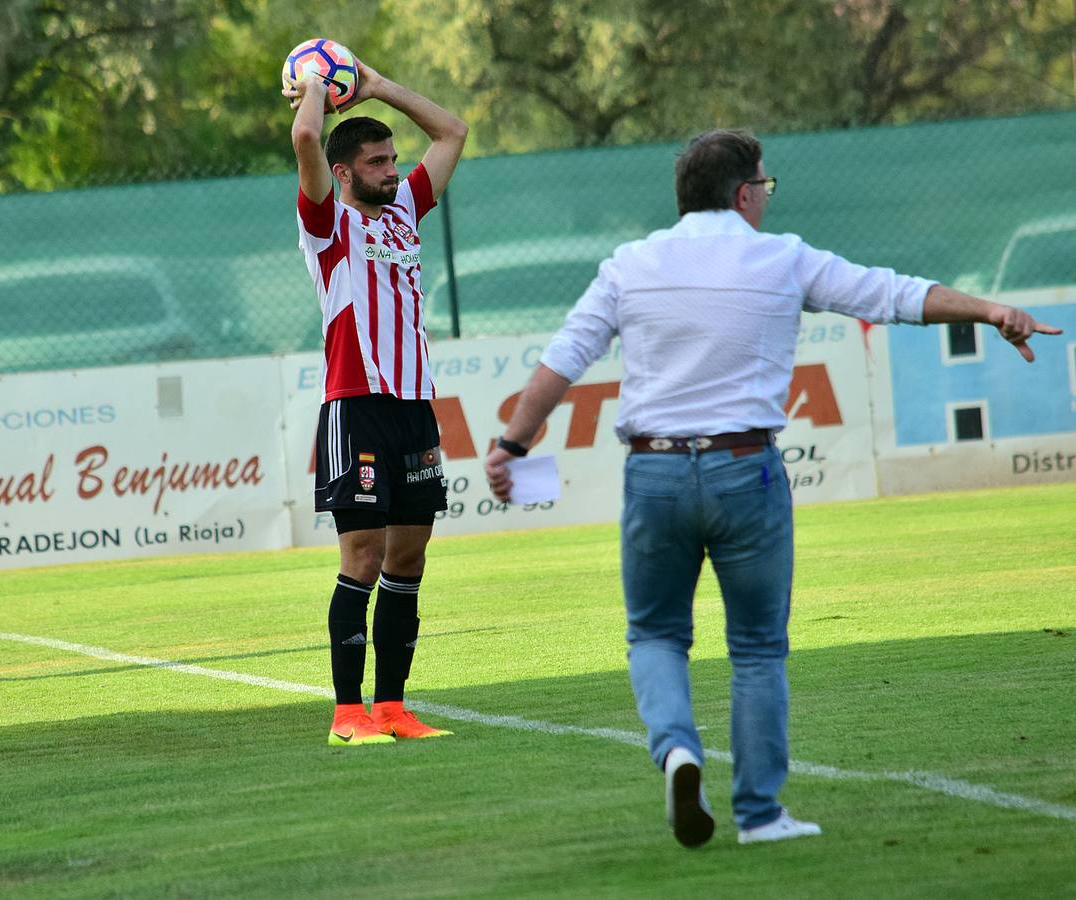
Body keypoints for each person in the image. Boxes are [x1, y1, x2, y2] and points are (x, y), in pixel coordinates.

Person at [483, 130, 1061, 845]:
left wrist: (512, 443)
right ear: (743, 193)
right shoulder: (782, 258)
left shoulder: (630, 265)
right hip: (746, 469)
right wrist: (990, 310)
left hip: (656, 470)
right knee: (756, 649)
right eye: (765, 185)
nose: (766, 196)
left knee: (656, 633)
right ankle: (759, 814)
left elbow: (562, 361)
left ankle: (677, 749)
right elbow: (892, 295)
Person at [284, 55, 468, 746]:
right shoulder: (327, 224)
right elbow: (306, 140)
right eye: (377, 162)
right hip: (354, 404)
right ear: (344, 173)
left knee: (409, 558)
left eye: (393, 159)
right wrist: (312, 88)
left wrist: (380, 87)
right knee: (360, 557)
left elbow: (452, 132)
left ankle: (392, 708)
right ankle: (346, 714)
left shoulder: (406, 214)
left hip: (412, 404)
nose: (393, 170)